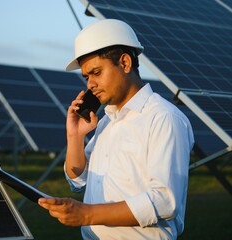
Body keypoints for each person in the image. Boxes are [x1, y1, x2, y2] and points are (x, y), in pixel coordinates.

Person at [38, 19, 194, 240]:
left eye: (96, 72)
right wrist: (75, 136)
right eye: (86, 77)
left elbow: (164, 200)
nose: (89, 84)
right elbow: (78, 181)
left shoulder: (163, 117)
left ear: (124, 63)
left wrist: (86, 214)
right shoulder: (107, 121)